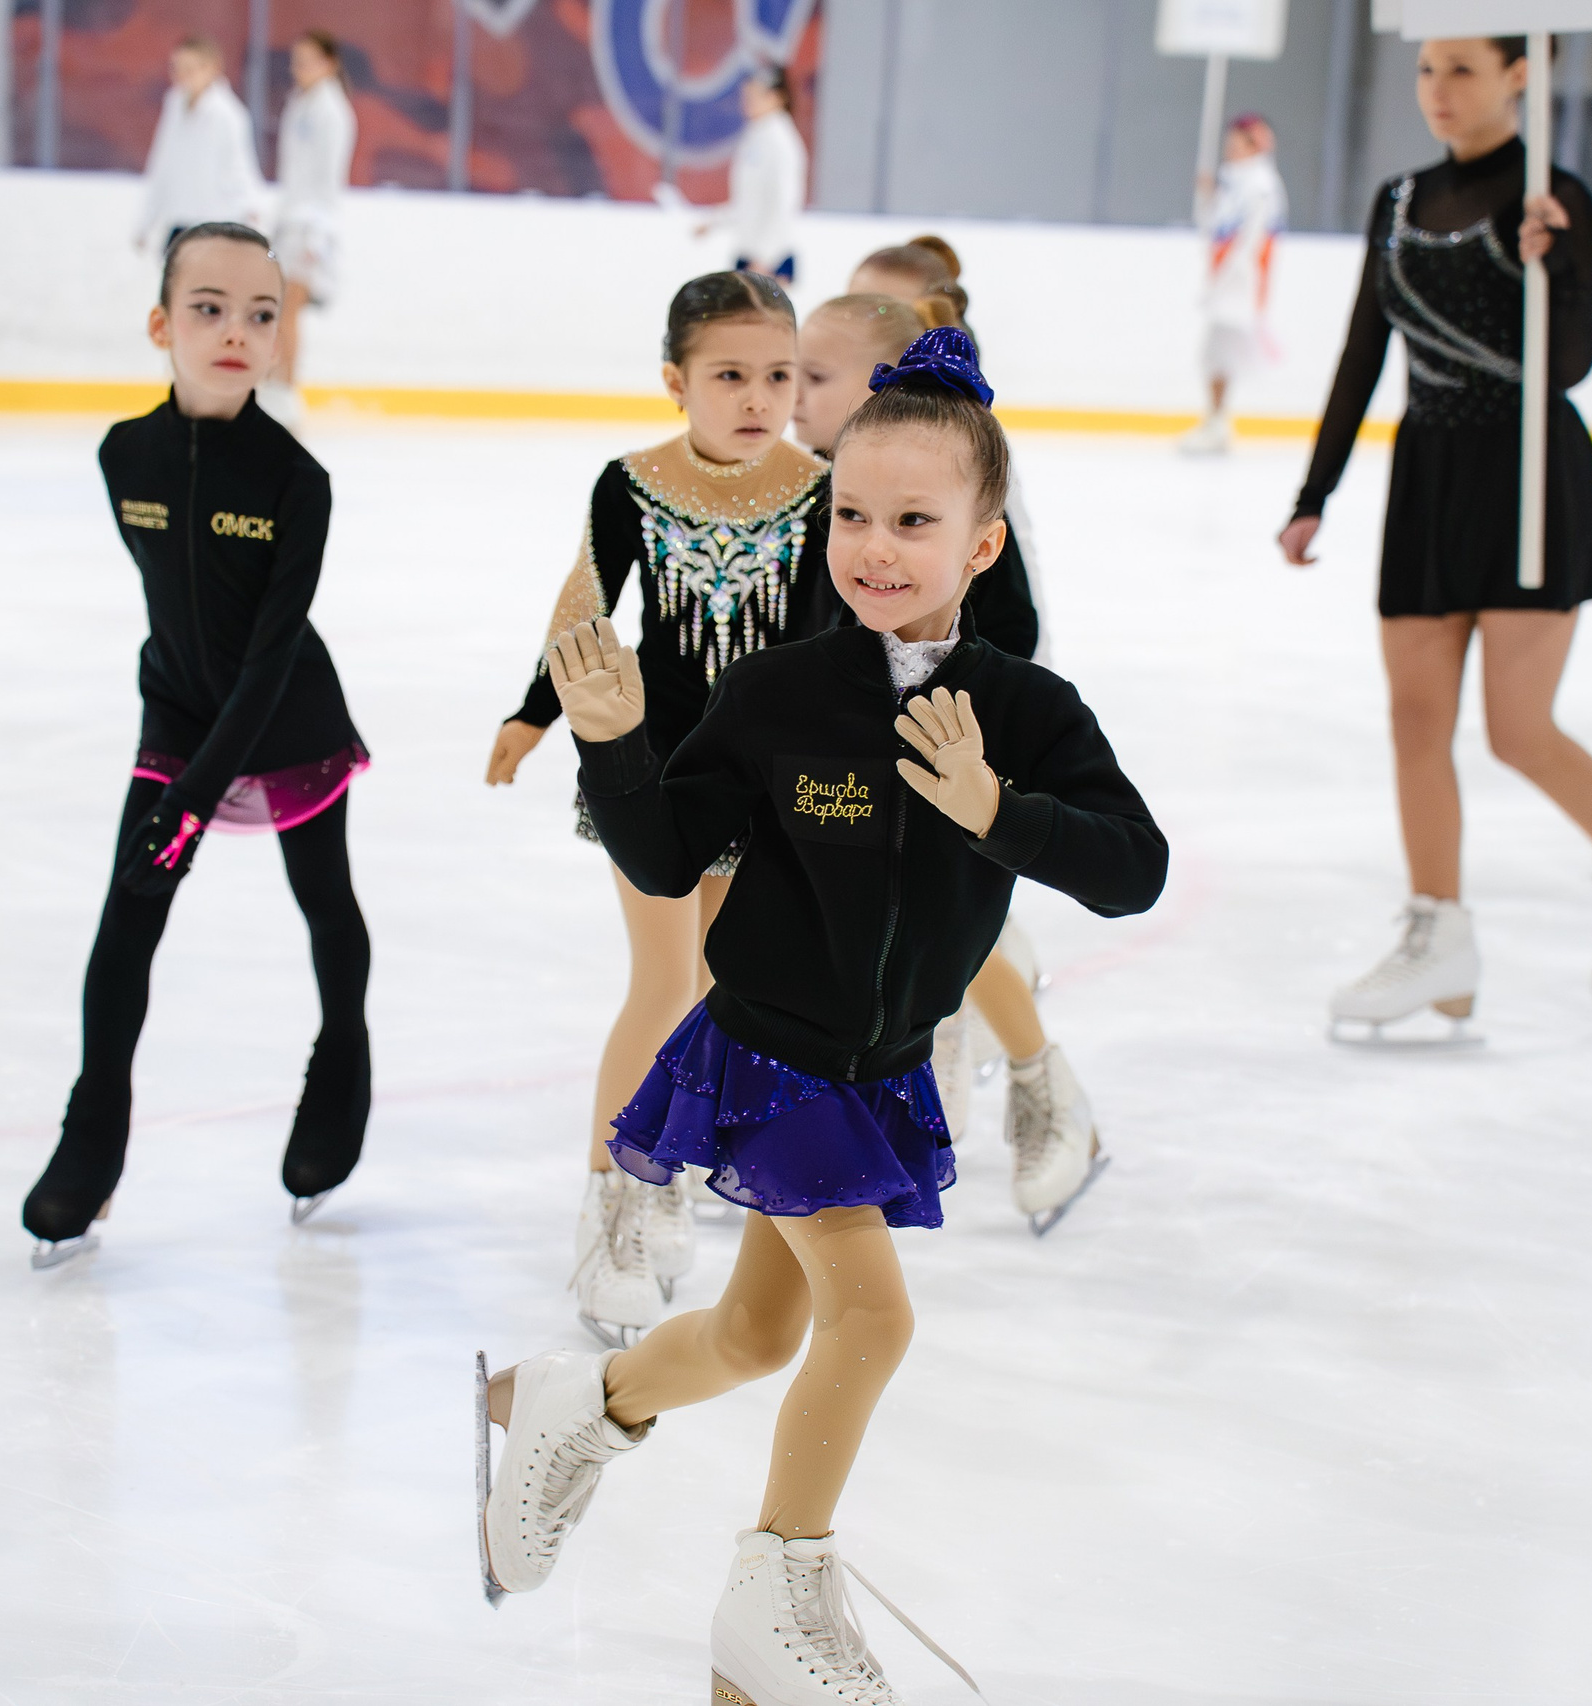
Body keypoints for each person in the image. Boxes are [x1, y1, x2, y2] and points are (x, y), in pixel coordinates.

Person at [478, 330, 1167, 1706]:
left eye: (916, 520)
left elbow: (1132, 868)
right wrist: (616, 745)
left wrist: (996, 812)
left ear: (984, 545)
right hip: (766, 1057)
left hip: (882, 1075)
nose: (876, 545)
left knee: (755, 1337)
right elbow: (670, 856)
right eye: (853, 514)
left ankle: (579, 1406)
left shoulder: (1023, 711)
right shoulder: (783, 692)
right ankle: (778, 1590)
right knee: (871, 1320)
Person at [1278, 35, 1592, 1038]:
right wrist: (1314, 491)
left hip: (1527, 475)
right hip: (1428, 475)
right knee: (1414, 722)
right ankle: (1441, 939)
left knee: (1518, 728)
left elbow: (1569, 362)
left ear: (1524, 72)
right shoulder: (1395, 200)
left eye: (1463, 68)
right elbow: (1359, 354)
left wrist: (1541, 266)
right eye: (1429, 69)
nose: (1439, 90)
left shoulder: (1555, 196)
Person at [486, 272, 830, 1347]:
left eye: (777, 375)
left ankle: (670, 1170)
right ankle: (616, 1205)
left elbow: (839, 628)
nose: (756, 397)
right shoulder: (629, 482)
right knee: (664, 979)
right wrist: (535, 712)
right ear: (677, 380)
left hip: (765, 779)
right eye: (729, 374)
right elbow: (585, 606)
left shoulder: (822, 485)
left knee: (730, 987)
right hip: (651, 773)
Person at [20, 224, 372, 1266]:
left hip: (287, 720)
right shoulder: (120, 454)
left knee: (325, 906)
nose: (236, 331)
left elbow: (265, 660)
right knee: (125, 923)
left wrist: (194, 796)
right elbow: (172, 610)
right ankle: (91, 1141)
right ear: (159, 324)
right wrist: (174, 780)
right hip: (175, 717)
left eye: (261, 314)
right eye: (209, 308)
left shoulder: (295, 481)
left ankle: (340, 1069)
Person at [792, 293, 1102, 1231]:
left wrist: (965, 748)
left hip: (948, 750)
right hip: (839, 745)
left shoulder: (952, 490)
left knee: (952, 935)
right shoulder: (828, 490)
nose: (789, 393)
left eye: (813, 377)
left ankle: (1042, 1083)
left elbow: (1010, 629)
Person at [264, 28, 355, 425]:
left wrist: (318, 233)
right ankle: (271, 384)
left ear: (329, 63)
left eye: (308, 60)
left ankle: (285, 392)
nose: (299, 68)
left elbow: (327, 177)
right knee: (273, 307)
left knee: (288, 311)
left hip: (312, 225)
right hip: (290, 221)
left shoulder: (331, 110)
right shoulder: (300, 103)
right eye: (296, 60)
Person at [1182, 113, 1286, 456]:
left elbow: (1250, 242)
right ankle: (1215, 421)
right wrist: (1207, 196)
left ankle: (1216, 423)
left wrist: (1226, 280)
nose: (1229, 150)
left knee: (1219, 355)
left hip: (1238, 286)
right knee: (1216, 355)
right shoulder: (1236, 183)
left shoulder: (1260, 185)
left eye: (1236, 144)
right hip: (1226, 283)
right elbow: (1214, 228)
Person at [136, 37, 267, 259]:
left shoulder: (228, 114)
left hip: (216, 223)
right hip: (181, 220)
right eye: (177, 68)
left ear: (212, 68)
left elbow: (240, 165)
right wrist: (146, 221)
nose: (183, 75)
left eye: (190, 68)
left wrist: (252, 208)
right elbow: (162, 162)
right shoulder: (175, 104)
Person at [709, 65, 807, 282]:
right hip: (749, 252)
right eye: (747, 96)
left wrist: (765, 257)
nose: (747, 103)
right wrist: (714, 221)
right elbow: (748, 199)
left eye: (755, 96)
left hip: (769, 259)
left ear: (777, 98)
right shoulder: (755, 135)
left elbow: (785, 203)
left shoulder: (781, 141)